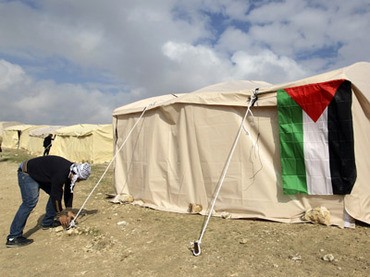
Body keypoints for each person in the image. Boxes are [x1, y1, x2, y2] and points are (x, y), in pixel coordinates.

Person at [6, 155, 91, 248]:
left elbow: (68, 192)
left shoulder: (71, 172)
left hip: (40, 174)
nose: (78, 181)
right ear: (75, 174)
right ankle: (13, 237)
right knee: (29, 202)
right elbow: (56, 195)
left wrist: (68, 210)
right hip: (27, 173)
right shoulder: (61, 173)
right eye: (78, 179)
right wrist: (60, 215)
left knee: (54, 193)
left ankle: (47, 222)